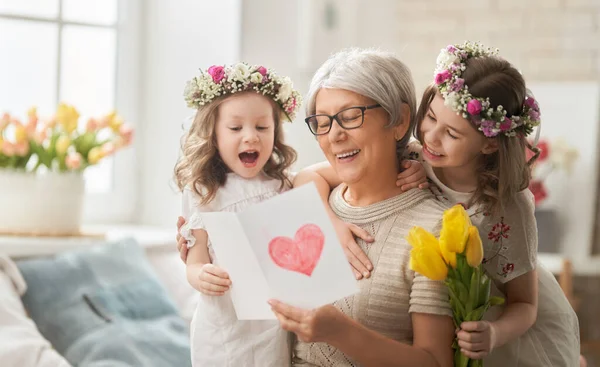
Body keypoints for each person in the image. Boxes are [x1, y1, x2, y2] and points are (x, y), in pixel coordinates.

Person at [305, 42, 581, 366]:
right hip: (445, 296)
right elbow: (308, 178)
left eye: (451, 132)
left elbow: (525, 304)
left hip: (493, 309)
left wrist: (493, 333)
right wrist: (329, 222)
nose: (431, 137)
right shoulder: (416, 154)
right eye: (430, 117)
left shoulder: (507, 207)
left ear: (490, 143)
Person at [268, 48, 455, 367]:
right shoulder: (309, 205)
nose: (335, 135)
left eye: (351, 116)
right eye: (322, 122)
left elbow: (436, 362)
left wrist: (341, 332)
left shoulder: (433, 228)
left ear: (400, 121)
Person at [173, 62, 301, 366]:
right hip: (223, 329)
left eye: (261, 127)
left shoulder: (283, 186)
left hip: (271, 325)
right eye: (235, 128)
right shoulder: (204, 193)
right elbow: (195, 261)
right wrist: (200, 276)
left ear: (275, 131)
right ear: (214, 135)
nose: (250, 137)